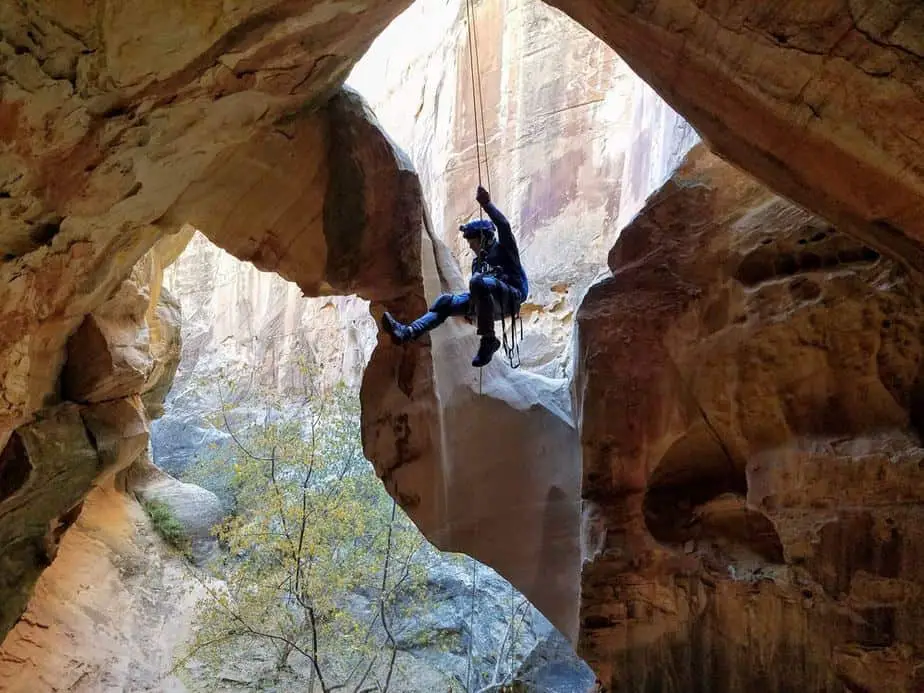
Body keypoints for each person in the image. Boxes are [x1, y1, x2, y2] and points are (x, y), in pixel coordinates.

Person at [380, 185, 528, 368]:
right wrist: (470, 309)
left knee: (477, 281)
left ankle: (489, 340)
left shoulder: (505, 249)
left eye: (473, 242)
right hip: (493, 301)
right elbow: (479, 292)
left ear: (484, 238)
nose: (471, 247)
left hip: (511, 296)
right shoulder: (477, 263)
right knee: (445, 302)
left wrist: (487, 204)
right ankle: (408, 332)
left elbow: (504, 226)